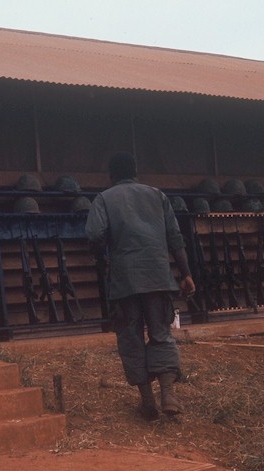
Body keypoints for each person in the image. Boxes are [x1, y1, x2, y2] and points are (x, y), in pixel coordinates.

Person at [84, 152, 195, 420]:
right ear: (135, 172)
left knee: (131, 338)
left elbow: (94, 234)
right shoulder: (157, 195)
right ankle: (168, 393)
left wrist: (105, 258)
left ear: (111, 175)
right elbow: (175, 237)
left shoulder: (104, 199)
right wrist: (187, 274)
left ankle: (147, 402)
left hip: (124, 280)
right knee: (161, 333)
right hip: (158, 276)